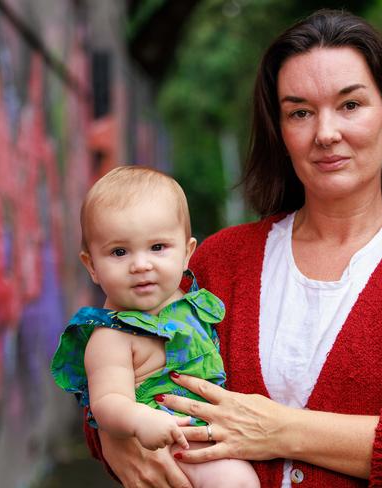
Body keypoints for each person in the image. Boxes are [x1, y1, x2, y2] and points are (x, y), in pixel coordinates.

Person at [85, 9, 382, 488]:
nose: (326, 133)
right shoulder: (218, 261)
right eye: (300, 112)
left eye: (350, 105)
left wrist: (282, 432)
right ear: (281, 131)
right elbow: (124, 368)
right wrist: (111, 437)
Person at [50, 166, 259, 488]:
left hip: (209, 431)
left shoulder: (187, 302)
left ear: (187, 253)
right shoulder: (112, 336)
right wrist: (139, 420)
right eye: (119, 252)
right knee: (236, 481)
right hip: (167, 442)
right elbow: (106, 402)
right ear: (92, 265)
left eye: (158, 247)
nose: (141, 265)